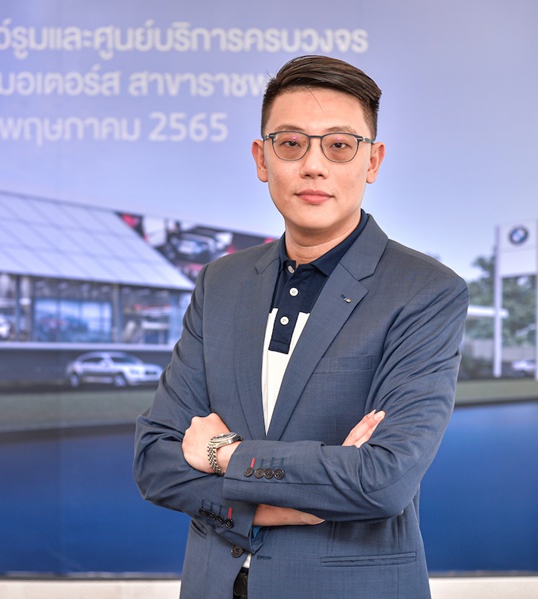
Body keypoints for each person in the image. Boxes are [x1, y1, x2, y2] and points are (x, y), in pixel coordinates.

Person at [133, 55, 469, 599]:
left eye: (339, 145)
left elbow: (383, 480)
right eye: (290, 143)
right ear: (261, 158)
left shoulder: (425, 291)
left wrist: (223, 455)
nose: (313, 165)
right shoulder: (221, 282)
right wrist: (271, 508)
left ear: (373, 160)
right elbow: (156, 460)